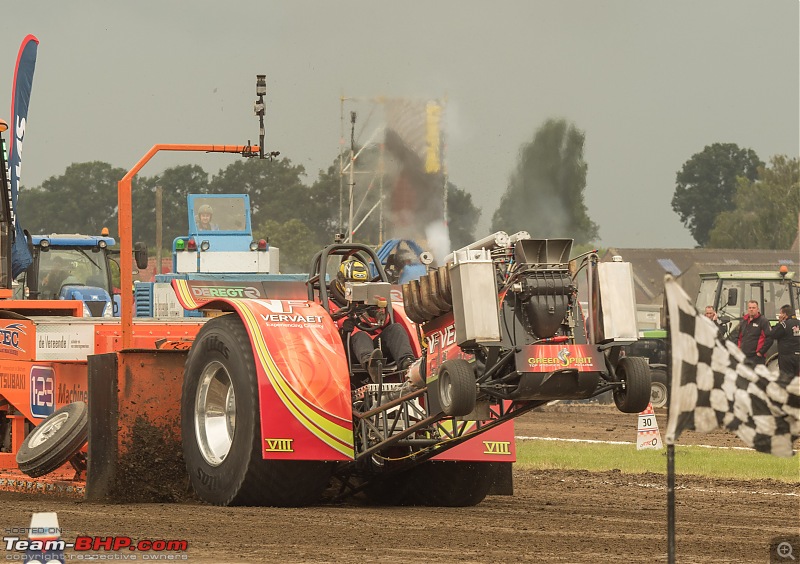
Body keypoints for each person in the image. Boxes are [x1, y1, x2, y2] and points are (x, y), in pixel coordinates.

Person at [329, 258, 415, 383]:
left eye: (361, 284)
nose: (357, 287)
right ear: (342, 282)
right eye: (353, 283)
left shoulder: (371, 301)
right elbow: (325, 330)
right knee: (361, 335)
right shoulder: (330, 304)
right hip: (348, 348)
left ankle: (408, 364)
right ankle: (371, 365)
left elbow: (385, 322)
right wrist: (341, 327)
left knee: (396, 329)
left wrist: (378, 312)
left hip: (376, 347)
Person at [733, 300, 773, 366]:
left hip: (757, 358)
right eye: (750, 308)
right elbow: (739, 337)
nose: (751, 310)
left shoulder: (763, 321)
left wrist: (760, 352)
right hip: (744, 356)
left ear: (757, 309)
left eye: (753, 308)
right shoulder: (744, 321)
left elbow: (770, 338)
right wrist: (739, 348)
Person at [770, 304, 800, 378]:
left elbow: (773, 334)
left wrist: (779, 322)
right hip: (798, 355)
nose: (779, 315)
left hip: (786, 357)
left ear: (784, 315)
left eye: (780, 314)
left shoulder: (784, 325)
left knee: (786, 380)